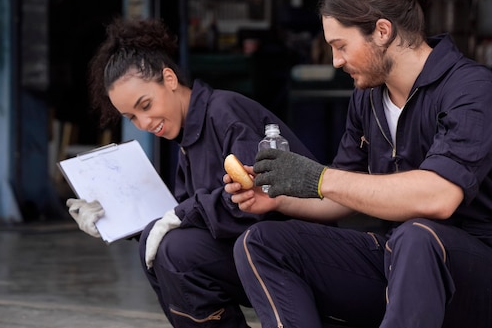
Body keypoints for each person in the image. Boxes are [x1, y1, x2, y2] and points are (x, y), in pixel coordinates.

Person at [225, 0, 492, 328]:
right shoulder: (368, 98)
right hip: (397, 255)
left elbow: (438, 198)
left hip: (486, 274)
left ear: (382, 31)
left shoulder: (472, 90)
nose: (336, 61)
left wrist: (317, 177)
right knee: (260, 243)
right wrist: (280, 196)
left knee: (419, 237)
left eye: (341, 46)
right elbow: (344, 192)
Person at [65, 17, 315, 328]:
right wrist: (117, 219)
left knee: (175, 251)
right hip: (257, 250)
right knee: (157, 249)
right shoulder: (188, 138)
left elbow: (252, 197)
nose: (144, 123)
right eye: (131, 117)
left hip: (298, 250)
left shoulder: (225, 113)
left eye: (145, 105)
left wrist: (179, 216)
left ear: (169, 78)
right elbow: (186, 215)